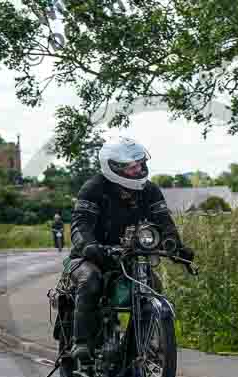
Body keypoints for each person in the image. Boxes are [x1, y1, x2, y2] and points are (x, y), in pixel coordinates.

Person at [66, 137, 194, 363]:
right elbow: (80, 225)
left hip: (129, 257)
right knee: (91, 280)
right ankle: (81, 343)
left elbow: (164, 222)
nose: (138, 169)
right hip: (90, 257)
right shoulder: (94, 188)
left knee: (152, 285)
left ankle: (141, 344)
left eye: (140, 164)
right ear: (113, 167)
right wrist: (88, 246)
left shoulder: (150, 190)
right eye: (131, 166)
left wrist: (175, 245)